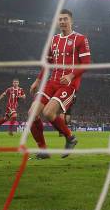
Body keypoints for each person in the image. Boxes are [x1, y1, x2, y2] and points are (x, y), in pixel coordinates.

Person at [28, 9, 90, 159]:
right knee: (32, 114)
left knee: (48, 113)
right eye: (60, 19)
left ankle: (70, 137)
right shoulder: (54, 40)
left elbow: (86, 63)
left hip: (68, 85)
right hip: (52, 82)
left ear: (71, 21)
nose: (62, 21)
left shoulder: (80, 39)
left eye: (65, 19)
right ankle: (43, 150)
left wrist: (70, 75)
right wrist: (38, 80)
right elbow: (48, 63)